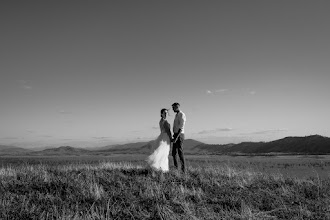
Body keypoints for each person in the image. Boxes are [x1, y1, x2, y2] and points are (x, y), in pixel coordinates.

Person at [171, 102, 186, 173]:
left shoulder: (181, 114)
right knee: (174, 153)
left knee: (180, 152)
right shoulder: (176, 115)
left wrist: (176, 137)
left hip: (179, 135)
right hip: (176, 134)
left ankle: (183, 170)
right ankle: (176, 168)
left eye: (173, 107)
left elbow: (181, 127)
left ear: (177, 107)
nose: (172, 109)